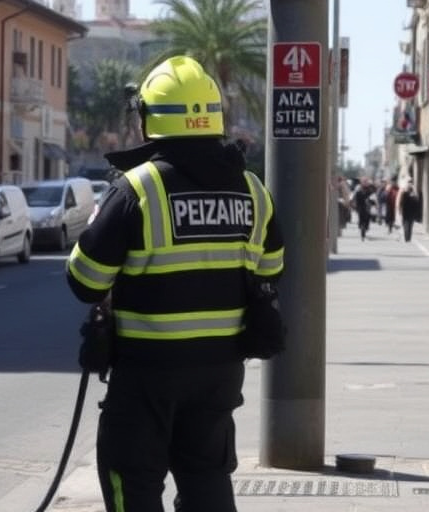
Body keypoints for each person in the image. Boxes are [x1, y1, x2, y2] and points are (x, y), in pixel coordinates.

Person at [65, 55, 285, 512]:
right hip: (220, 373)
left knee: (132, 480)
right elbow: (271, 270)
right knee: (207, 479)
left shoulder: (138, 189)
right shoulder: (252, 189)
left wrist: (95, 225)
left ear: (150, 120)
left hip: (149, 373)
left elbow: (85, 281)